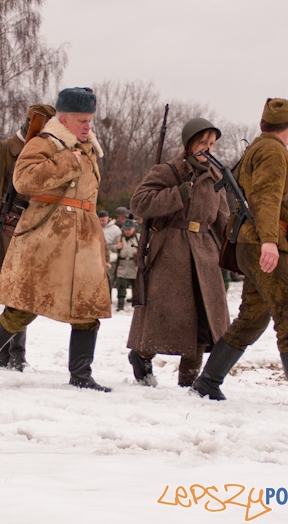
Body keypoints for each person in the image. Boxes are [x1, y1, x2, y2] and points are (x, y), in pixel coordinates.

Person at [192, 98, 288, 414]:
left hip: (255, 242)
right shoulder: (273, 152)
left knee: (252, 318)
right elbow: (266, 198)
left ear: (262, 126)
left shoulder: (259, 148)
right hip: (263, 243)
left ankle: (207, 382)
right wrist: (271, 242)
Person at [0, 87, 111, 391]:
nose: (88, 126)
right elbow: (24, 179)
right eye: (81, 120)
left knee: (87, 308)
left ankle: (81, 375)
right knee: (23, 307)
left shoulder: (88, 149)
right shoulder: (45, 142)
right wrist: (67, 162)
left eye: (90, 120)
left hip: (83, 239)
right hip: (47, 236)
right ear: (64, 118)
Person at [127, 118, 230, 387]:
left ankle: (190, 381)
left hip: (205, 255)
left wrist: (237, 253)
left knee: (202, 319)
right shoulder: (169, 171)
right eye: (202, 143)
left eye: (211, 144)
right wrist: (178, 193)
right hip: (171, 252)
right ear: (189, 144)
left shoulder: (216, 177)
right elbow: (139, 203)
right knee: (165, 318)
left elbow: (223, 222)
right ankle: (142, 355)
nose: (207, 148)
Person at [0, 105, 56, 371]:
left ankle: (5, 352)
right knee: (16, 294)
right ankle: (10, 353)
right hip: (5, 229)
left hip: (31, 231)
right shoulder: (2, 150)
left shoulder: (44, 155)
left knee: (23, 294)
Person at [114, 218, 139, 312]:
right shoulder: (119, 237)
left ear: (134, 229)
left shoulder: (139, 237)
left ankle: (136, 304)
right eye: (126, 229)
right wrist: (116, 247)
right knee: (121, 285)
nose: (127, 231)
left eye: (129, 229)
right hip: (122, 265)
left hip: (134, 265)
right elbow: (111, 246)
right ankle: (120, 304)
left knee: (136, 287)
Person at [99, 210, 121, 295]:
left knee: (108, 280)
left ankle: (109, 298)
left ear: (108, 218)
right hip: (98, 257)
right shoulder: (96, 227)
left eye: (103, 220)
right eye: (100, 220)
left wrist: (109, 246)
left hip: (111, 258)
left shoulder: (116, 230)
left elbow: (119, 246)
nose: (101, 222)